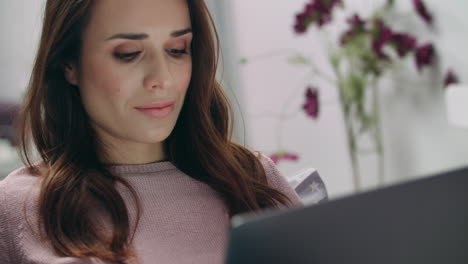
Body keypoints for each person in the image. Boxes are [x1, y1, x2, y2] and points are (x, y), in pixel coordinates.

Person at [0, 0, 303, 263]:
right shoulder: (20, 208)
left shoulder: (252, 180)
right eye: (128, 53)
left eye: (176, 50)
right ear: (69, 64)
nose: (162, 78)